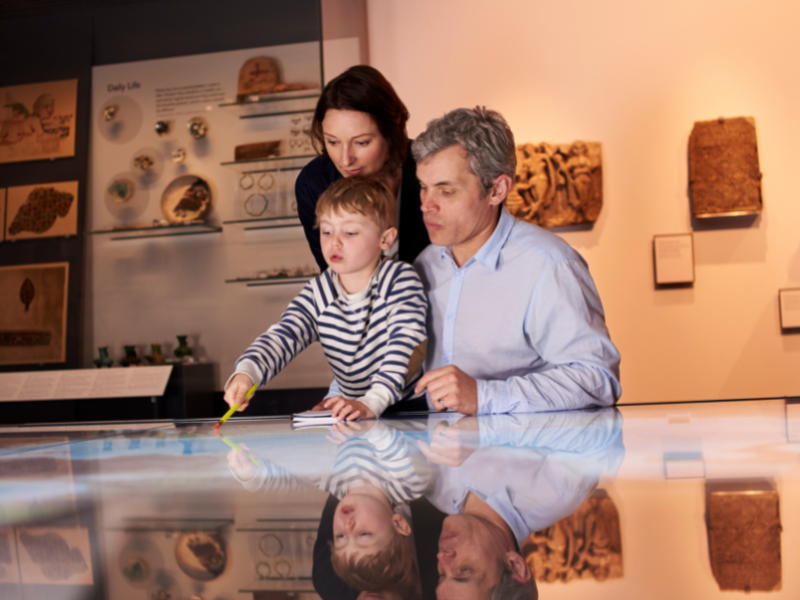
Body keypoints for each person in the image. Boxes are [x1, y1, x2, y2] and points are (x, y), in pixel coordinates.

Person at [411, 107, 622, 415]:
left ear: (497, 190)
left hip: (524, 458)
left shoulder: (549, 265)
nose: (426, 205)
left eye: (446, 190)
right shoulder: (422, 266)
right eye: (423, 187)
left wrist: (485, 396)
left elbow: (598, 378)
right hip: (435, 457)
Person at [225, 176, 428, 420]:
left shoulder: (399, 279)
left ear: (385, 239)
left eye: (350, 232)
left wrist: (373, 401)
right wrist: (247, 373)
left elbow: (406, 344)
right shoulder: (317, 292)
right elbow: (284, 335)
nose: (335, 242)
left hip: (408, 409)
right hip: (352, 409)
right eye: (326, 230)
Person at [423, 409, 625, 600]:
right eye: (464, 571)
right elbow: (596, 408)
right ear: (515, 565)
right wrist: (484, 421)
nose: (442, 556)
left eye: (441, 575)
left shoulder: (432, 491)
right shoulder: (562, 489)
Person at [296, 65, 430, 272]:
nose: (345, 160)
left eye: (362, 143)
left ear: (392, 129)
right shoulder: (313, 183)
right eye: (333, 142)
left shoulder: (428, 168)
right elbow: (334, 270)